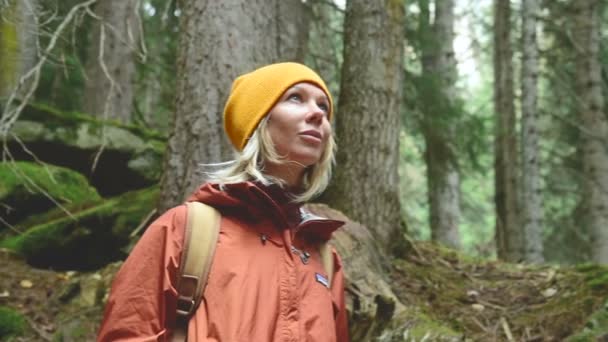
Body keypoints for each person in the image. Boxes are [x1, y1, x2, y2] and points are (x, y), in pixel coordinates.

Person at [97, 62, 349, 342]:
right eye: (295, 98)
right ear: (258, 122)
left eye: (324, 107)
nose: (317, 114)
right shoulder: (186, 230)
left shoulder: (324, 258)